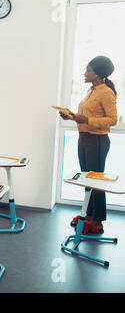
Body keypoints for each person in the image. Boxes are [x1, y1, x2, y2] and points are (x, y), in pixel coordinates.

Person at [60, 56, 118, 233]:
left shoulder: (106, 92)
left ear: (98, 74)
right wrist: (70, 116)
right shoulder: (91, 90)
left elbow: (112, 120)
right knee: (87, 178)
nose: (85, 73)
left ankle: (98, 221)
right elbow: (86, 115)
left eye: (88, 70)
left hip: (97, 140)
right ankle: (89, 214)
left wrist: (85, 119)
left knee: (96, 181)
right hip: (84, 138)